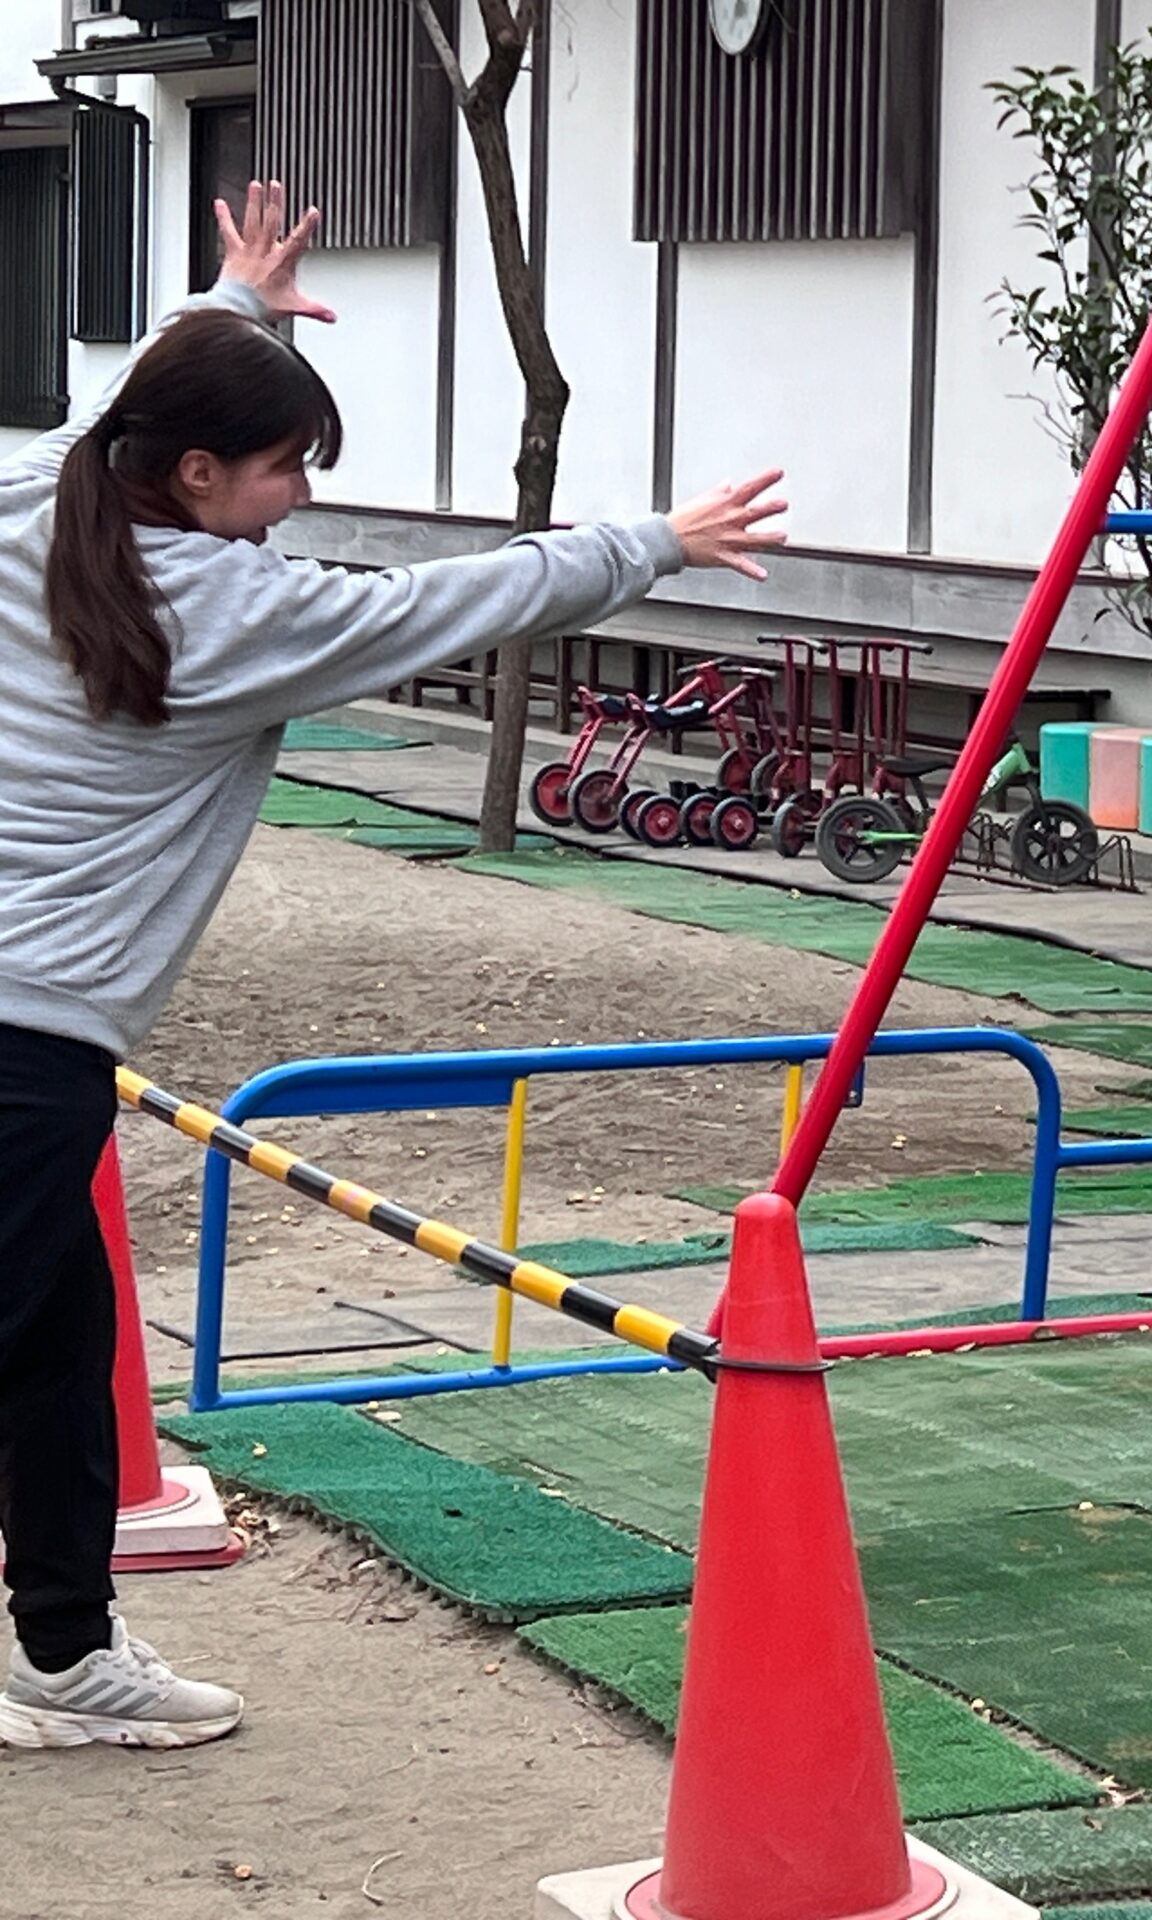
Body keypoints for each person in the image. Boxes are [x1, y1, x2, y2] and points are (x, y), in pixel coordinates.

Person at [0, 185, 787, 1750]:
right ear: (198, 473)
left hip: (34, 1038)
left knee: (57, 1348)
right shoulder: (233, 608)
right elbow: (459, 600)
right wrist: (654, 543)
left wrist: (232, 310)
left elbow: (114, 412)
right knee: (34, 1342)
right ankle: (65, 1656)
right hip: (28, 1042)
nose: (298, 498)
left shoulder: (37, 496)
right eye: (284, 467)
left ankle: (65, 1655)